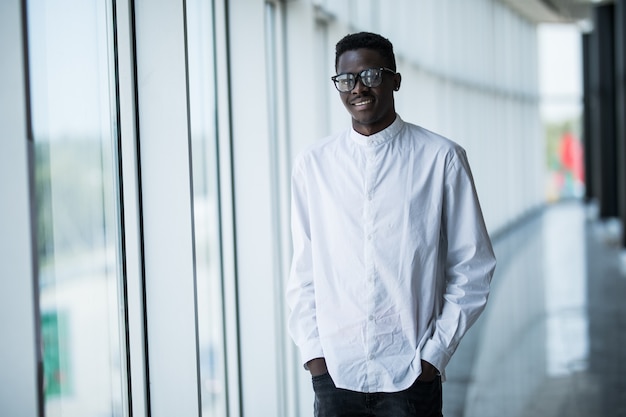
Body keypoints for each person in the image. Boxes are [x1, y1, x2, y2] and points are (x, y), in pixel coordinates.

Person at [286, 31, 497, 417]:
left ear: (395, 79)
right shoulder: (312, 165)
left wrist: (434, 356)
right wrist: (315, 356)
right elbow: (304, 270)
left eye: (371, 75)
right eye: (346, 80)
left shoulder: (442, 158)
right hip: (335, 372)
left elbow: (473, 265)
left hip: (411, 375)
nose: (358, 89)